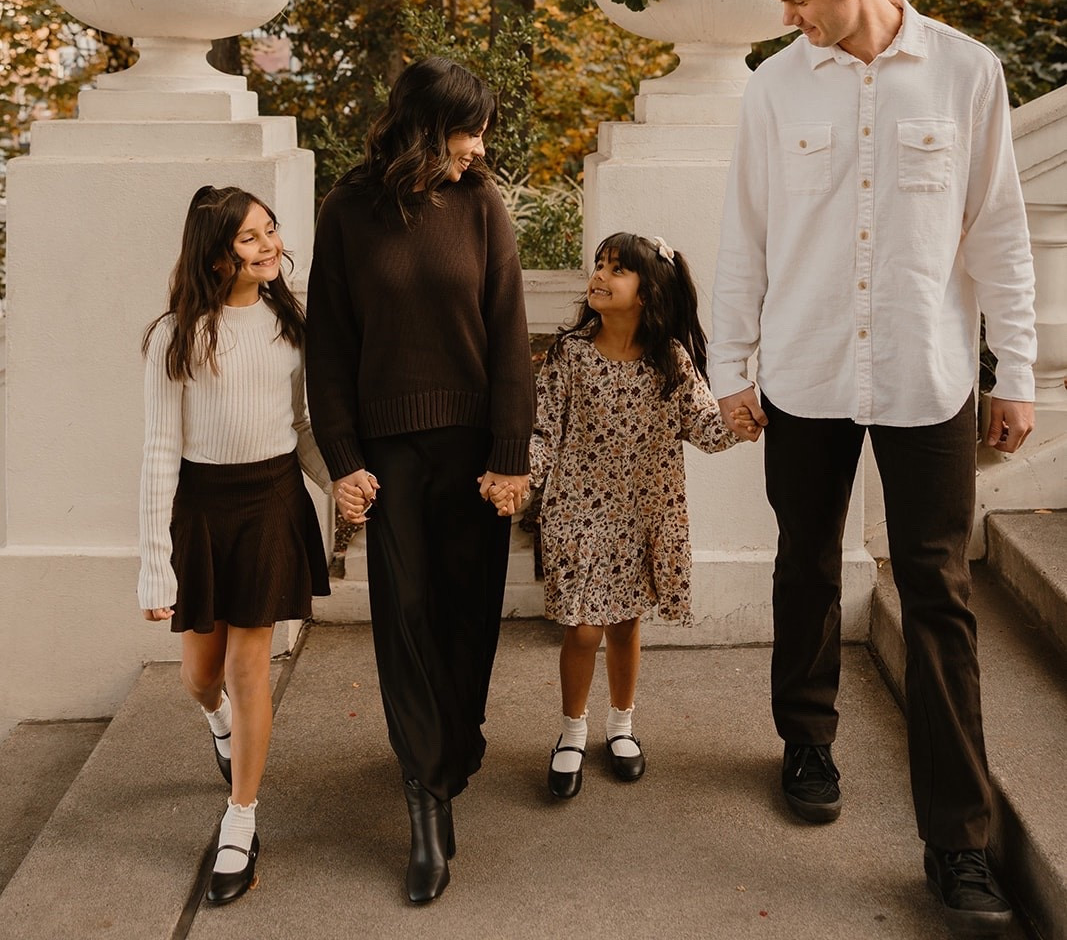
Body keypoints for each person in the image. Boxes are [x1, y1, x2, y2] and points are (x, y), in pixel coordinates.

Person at [710, 0, 1036, 933]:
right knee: (803, 560)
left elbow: (999, 233)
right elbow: (740, 241)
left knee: (937, 592)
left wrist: (1013, 368)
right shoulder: (770, 90)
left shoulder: (964, 73)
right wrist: (732, 367)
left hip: (925, 374)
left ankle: (958, 845)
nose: (786, 19)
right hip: (804, 372)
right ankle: (804, 738)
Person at [305, 56, 534, 905]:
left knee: (468, 612)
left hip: (475, 445)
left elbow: (508, 330)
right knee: (402, 615)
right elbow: (328, 345)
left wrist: (511, 454)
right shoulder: (348, 209)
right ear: (424, 126)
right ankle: (426, 803)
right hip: (388, 452)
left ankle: (454, 740)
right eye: (468, 130)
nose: (479, 148)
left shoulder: (480, 205)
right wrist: (343, 459)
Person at [138, 184, 332, 907]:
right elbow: (160, 452)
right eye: (251, 238)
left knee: (252, 665)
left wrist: (337, 484)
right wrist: (154, 569)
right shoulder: (176, 336)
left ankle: (241, 819)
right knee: (200, 676)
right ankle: (218, 725)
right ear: (217, 255)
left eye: (271, 230)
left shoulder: (293, 325)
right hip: (203, 511)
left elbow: (304, 428)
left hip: (273, 503)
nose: (269, 244)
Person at [520, 231, 738, 801]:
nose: (600, 275)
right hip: (578, 510)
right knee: (582, 627)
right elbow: (543, 430)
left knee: (623, 623)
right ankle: (572, 731)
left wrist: (750, 415)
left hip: (643, 512)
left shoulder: (671, 362)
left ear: (647, 293)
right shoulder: (570, 354)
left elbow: (709, 432)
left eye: (617, 269)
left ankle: (621, 725)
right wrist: (521, 480)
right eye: (599, 264)